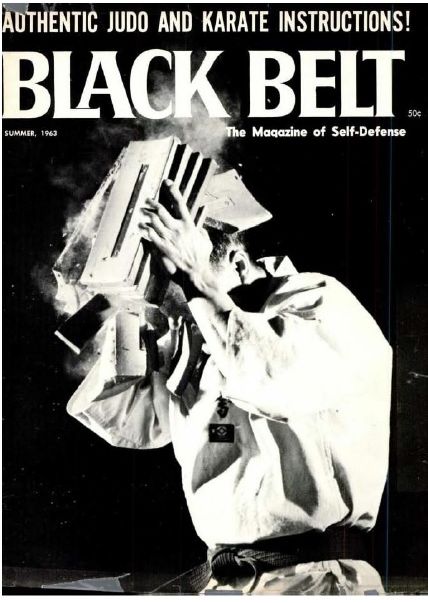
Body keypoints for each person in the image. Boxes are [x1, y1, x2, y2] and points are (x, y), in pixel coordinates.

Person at [66, 179, 392, 595]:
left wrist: (195, 277)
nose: (180, 307)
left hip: (315, 579)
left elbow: (274, 377)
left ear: (237, 262)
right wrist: (117, 307)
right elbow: (134, 421)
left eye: (179, 280)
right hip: (227, 582)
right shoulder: (196, 326)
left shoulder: (318, 301)